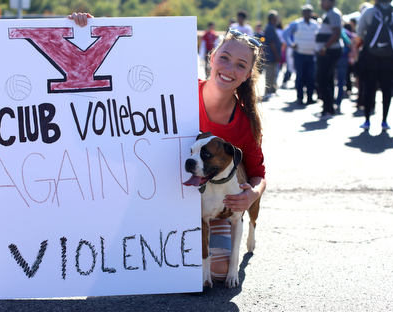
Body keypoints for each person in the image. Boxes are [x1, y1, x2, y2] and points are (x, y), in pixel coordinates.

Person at [69, 13, 267, 284]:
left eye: (240, 64)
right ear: (211, 57)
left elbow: (258, 173)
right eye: (224, 58)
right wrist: (90, 30)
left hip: (211, 204)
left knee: (218, 272)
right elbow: (124, 76)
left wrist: (251, 195)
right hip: (158, 195)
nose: (230, 67)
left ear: (247, 76)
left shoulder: (245, 122)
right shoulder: (176, 92)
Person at [356, 0, 393, 130]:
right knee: (387, 90)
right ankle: (384, 121)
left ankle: (367, 120)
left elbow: (360, 32)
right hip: (390, 59)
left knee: (368, 88)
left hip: (370, 58)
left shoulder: (369, 12)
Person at [282, 4, 319, 104]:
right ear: (302, 13)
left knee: (311, 77)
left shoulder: (315, 25)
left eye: (309, 11)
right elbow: (285, 34)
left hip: (311, 54)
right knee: (300, 76)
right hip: (300, 54)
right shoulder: (296, 24)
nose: (307, 13)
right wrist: (291, 44)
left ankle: (310, 97)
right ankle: (300, 97)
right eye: (305, 11)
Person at [315, 0, 343, 119]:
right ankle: (328, 108)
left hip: (330, 51)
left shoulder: (334, 14)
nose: (321, 3)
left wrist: (325, 47)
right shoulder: (329, 14)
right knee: (327, 79)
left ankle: (328, 108)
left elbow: (336, 33)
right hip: (327, 51)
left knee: (321, 78)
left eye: (323, 1)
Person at [263, 10, 282, 101]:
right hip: (271, 55)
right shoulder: (270, 27)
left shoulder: (272, 27)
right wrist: (276, 54)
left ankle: (272, 89)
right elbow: (271, 42)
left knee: (274, 72)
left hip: (272, 55)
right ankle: (268, 91)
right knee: (270, 73)